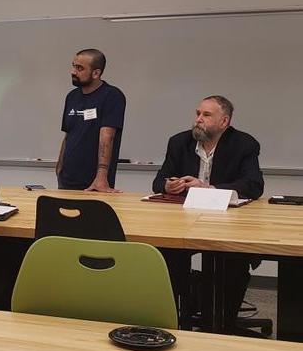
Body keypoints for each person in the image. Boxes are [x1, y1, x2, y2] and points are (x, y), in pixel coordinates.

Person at [152, 95, 263, 332]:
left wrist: (209, 188)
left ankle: (223, 324)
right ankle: (176, 319)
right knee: (165, 254)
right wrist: (167, 185)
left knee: (234, 260)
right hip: (184, 221)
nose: (198, 120)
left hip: (227, 223)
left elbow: (253, 185)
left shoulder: (244, 144)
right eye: (197, 114)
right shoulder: (179, 142)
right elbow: (159, 180)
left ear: (224, 121)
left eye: (206, 115)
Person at [56, 48, 126, 192]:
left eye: (79, 68)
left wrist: (101, 176)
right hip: (67, 179)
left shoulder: (112, 96)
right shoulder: (72, 97)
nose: (73, 72)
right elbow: (68, 135)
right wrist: (59, 167)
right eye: (74, 66)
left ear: (96, 73)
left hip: (94, 182)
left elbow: (107, 136)